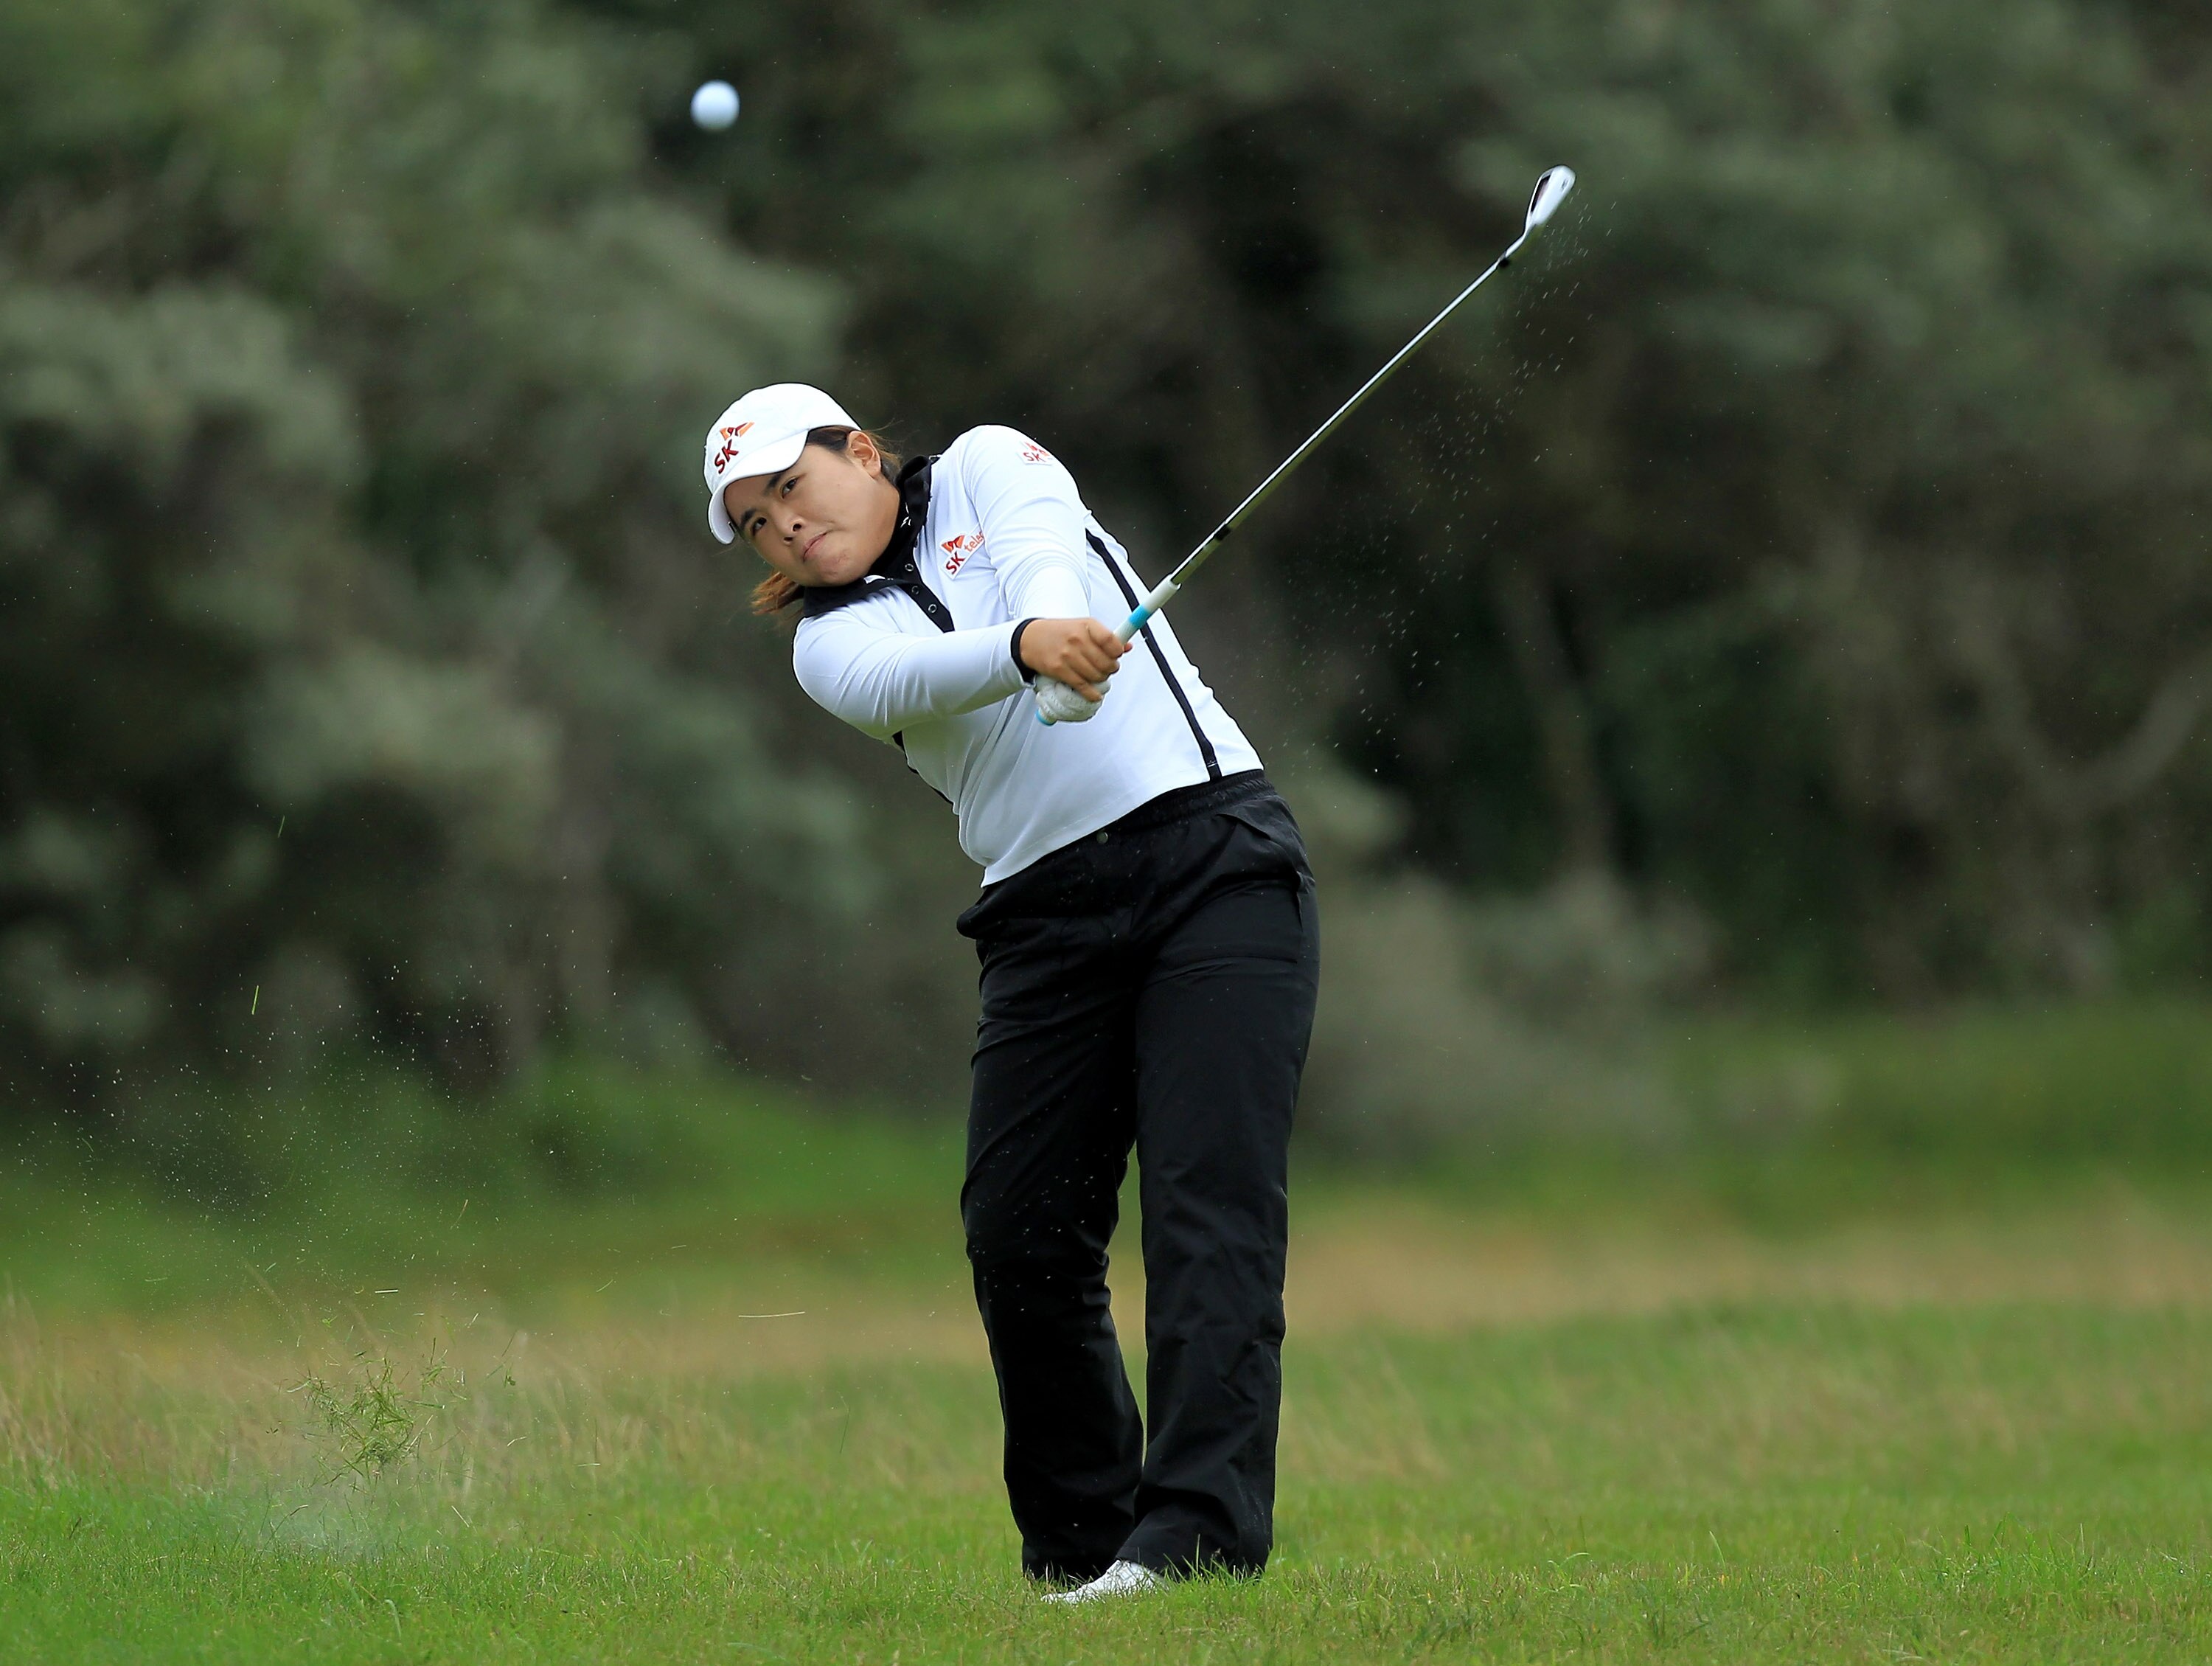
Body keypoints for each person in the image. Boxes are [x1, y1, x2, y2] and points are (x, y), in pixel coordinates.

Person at [703, 383, 1320, 1602]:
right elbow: (912, 683)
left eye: (792, 487)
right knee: (1021, 1237)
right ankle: (1083, 1553)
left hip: (1215, 864)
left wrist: (1056, 622)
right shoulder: (826, 644)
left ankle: (1195, 1539)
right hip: (1043, 918)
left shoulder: (990, 462)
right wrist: (1027, 651)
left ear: (860, 452)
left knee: (1210, 1210)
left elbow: (1045, 553)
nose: (787, 528)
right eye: (757, 522)